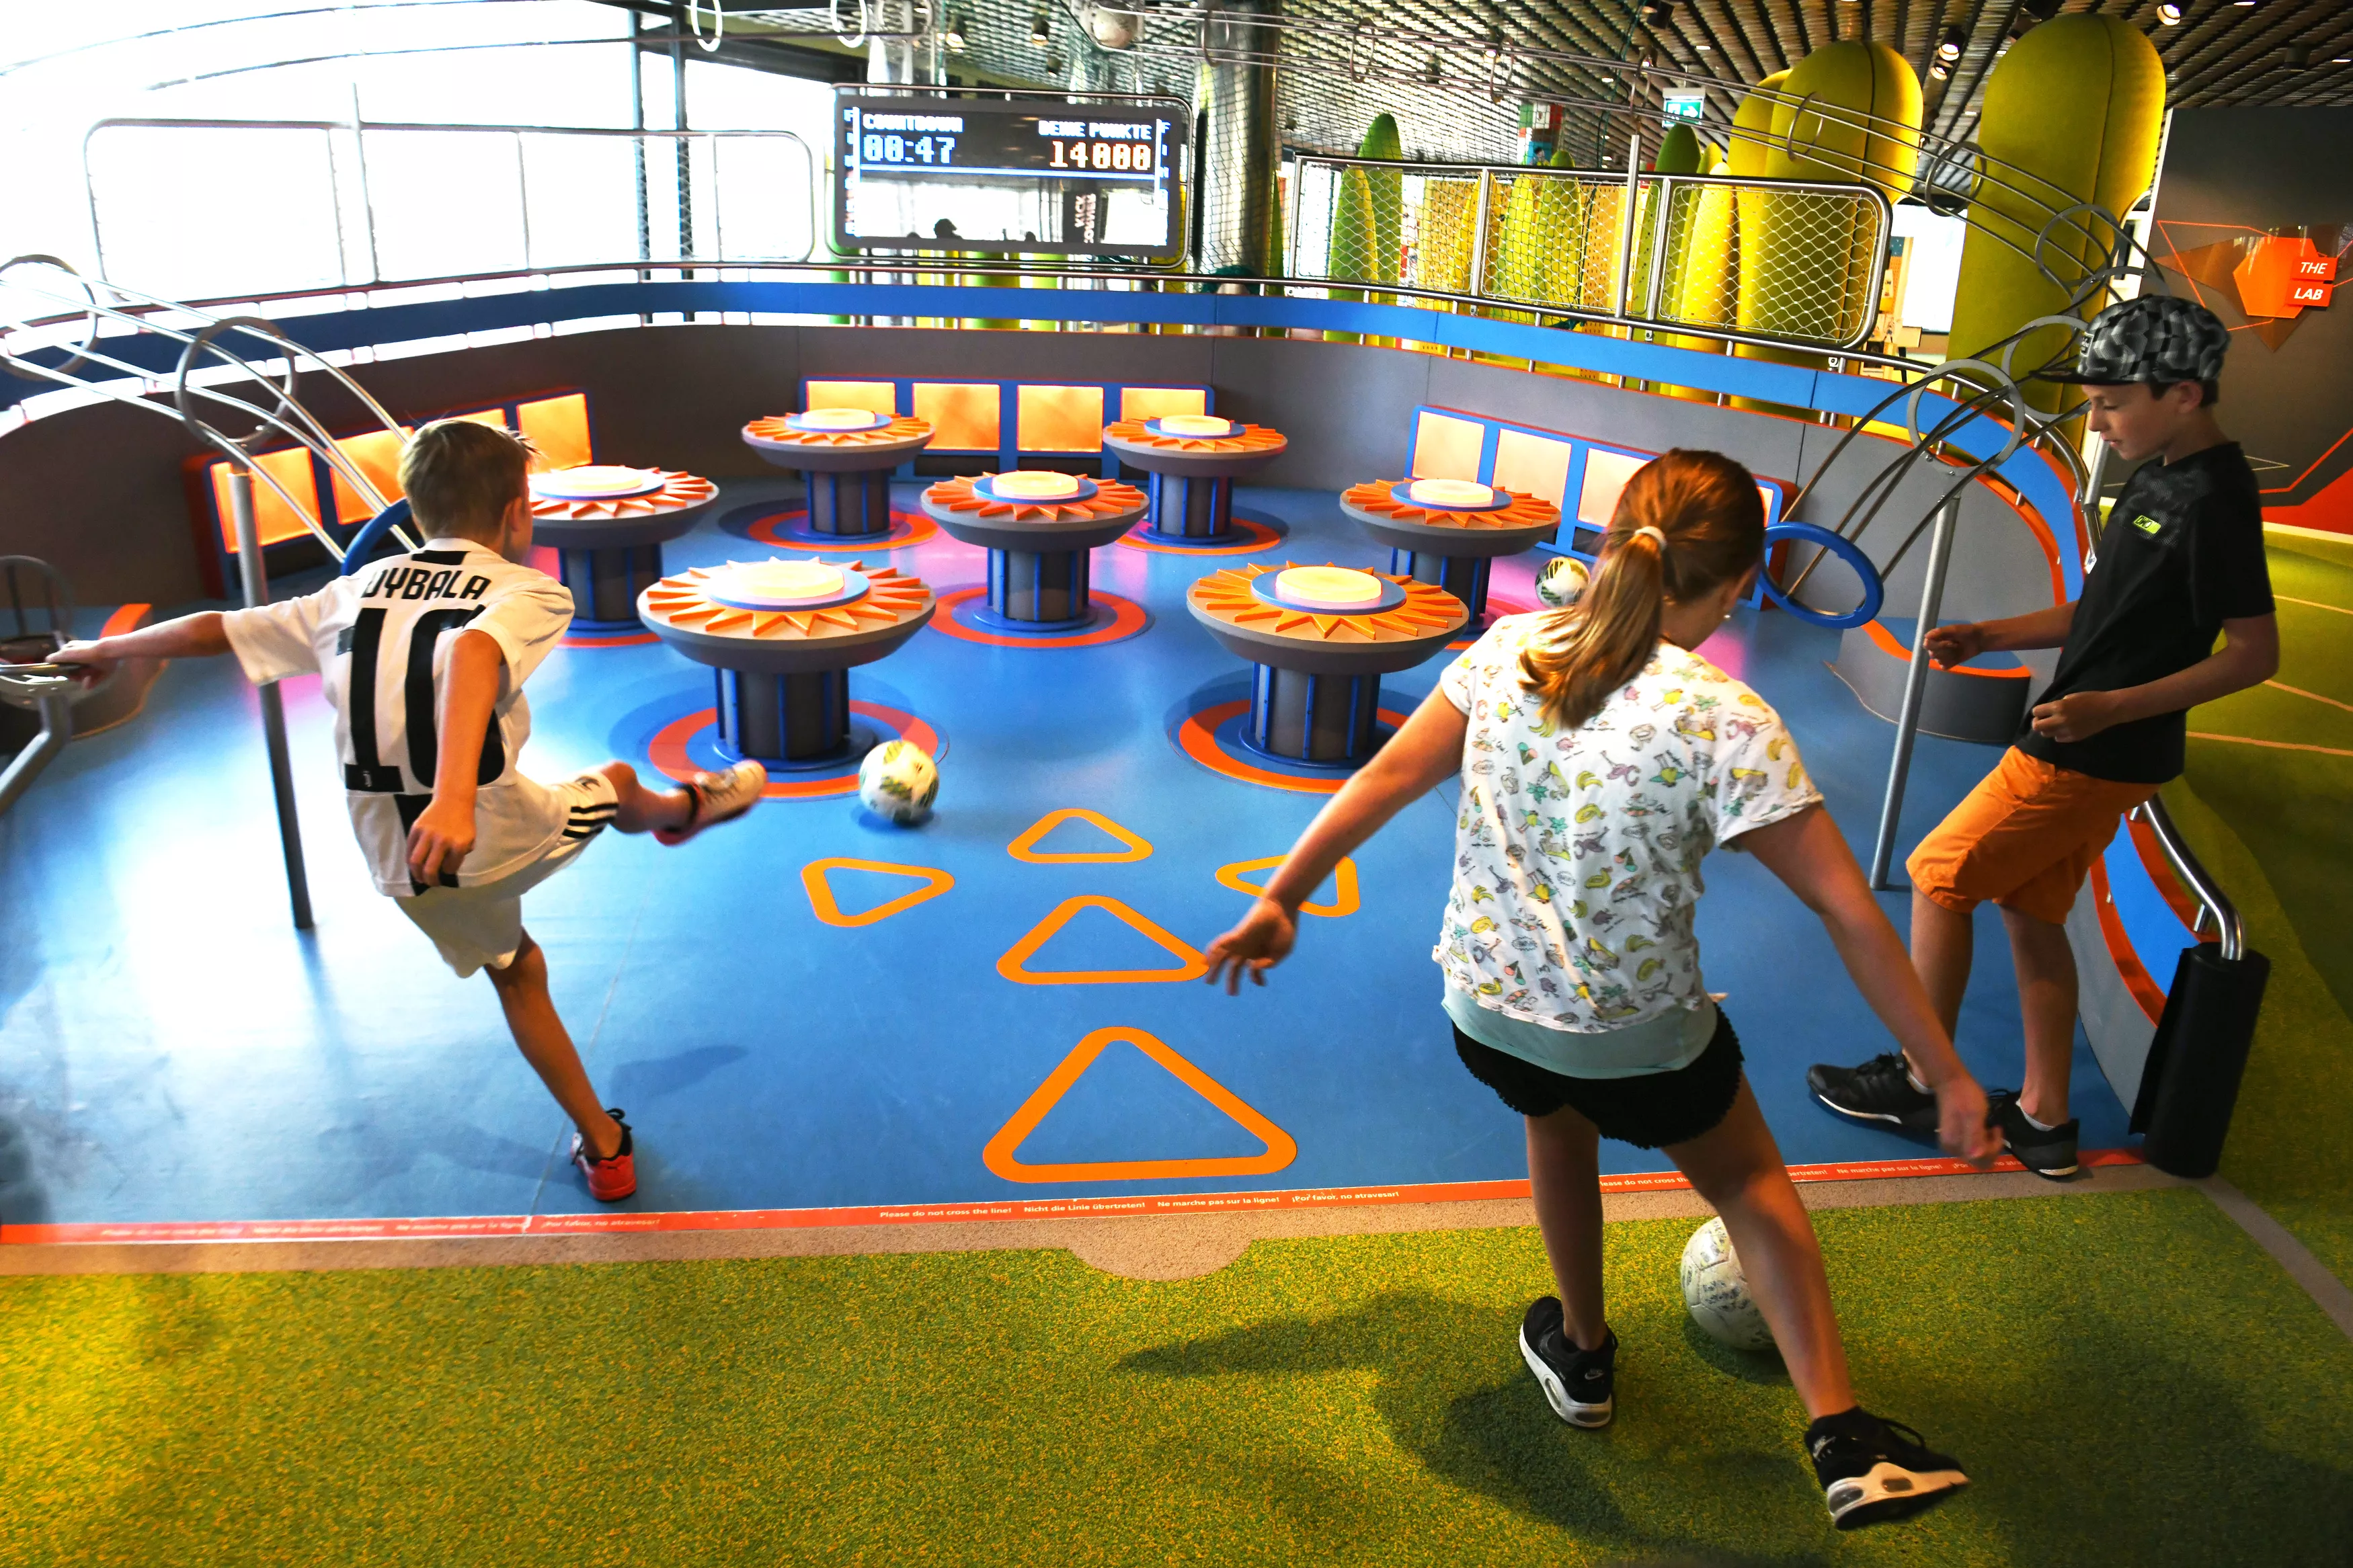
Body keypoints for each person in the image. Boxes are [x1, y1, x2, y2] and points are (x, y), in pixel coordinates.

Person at [1203, 450, 1999, 1532]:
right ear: (1739, 584)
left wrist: (1281, 896)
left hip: (1486, 1013)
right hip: (1639, 1039)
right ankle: (1845, 1436)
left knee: (1555, 1123)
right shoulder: (1725, 716)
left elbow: (1385, 775)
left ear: (1617, 541)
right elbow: (1847, 909)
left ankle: (1581, 1356)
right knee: (1750, 1187)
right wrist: (1941, 1069)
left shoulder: (1508, 652)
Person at [52, 419, 768, 1202]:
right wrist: (454, 799)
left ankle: (605, 1149)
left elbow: (216, 629)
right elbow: (474, 650)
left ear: (414, 508)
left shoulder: (348, 591)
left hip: (396, 859)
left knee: (517, 969)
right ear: (517, 512)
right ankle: (682, 809)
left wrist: (108, 650)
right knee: (619, 778)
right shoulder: (526, 588)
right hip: (486, 832)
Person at [1808, 295, 2278, 1179]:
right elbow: (2101, 611)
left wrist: (2113, 707)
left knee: (1937, 875)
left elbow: (2254, 654)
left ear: (2183, 394)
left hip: (2091, 749)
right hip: (2098, 740)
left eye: (2112, 404)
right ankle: (2044, 1118)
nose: (2096, 423)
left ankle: (1921, 1079)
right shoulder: (2157, 474)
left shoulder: (2216, 500)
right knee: (2029, 912)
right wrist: (1990, 634)